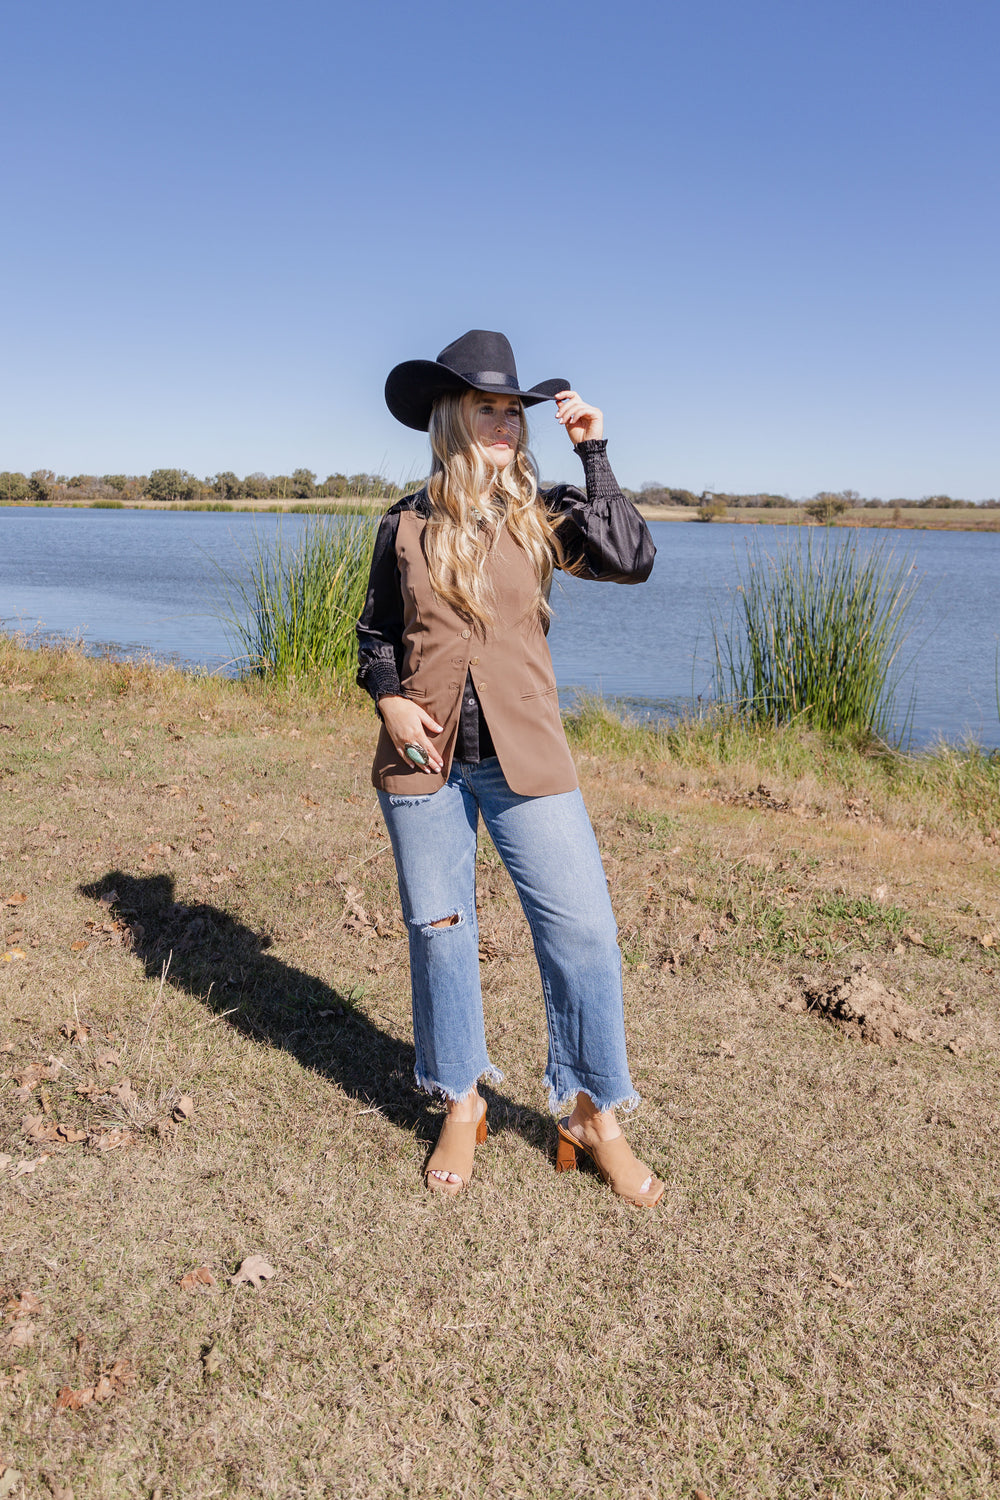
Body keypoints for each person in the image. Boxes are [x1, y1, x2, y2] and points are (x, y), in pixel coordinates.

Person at [356, 329, 663, 1207]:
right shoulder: (404, 521)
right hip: (426, 764)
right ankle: (462, 1100)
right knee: (439, 932)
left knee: (583, 935)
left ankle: (593, 1114)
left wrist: (593, 451)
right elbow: (376, 635)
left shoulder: (545, 512)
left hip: (528, 758)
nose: (504, 424)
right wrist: (389, 698)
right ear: (454, 417)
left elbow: (632, 560)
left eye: (513, 412)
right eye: (488, 409)